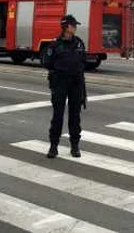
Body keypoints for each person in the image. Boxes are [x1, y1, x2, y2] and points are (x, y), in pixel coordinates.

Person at [43, 15, 87, 159]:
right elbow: (47, 62)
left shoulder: (79, 43)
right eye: (73, 25)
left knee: (75, 116)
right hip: (60, 83)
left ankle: (75, 146)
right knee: (58, 116)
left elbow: (83, 62)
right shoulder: (55, 44)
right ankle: (53, 146)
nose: (75, 28)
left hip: (76, 83)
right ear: (67, 27)